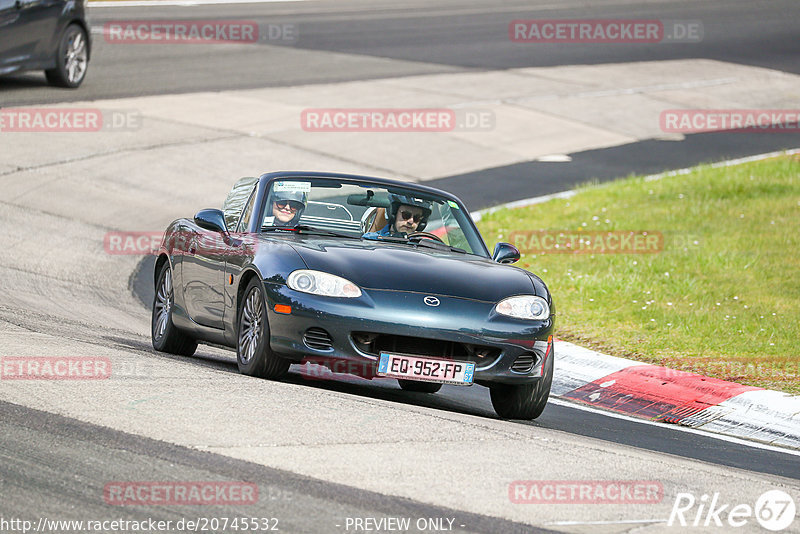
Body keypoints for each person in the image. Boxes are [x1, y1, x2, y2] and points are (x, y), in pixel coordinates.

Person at [363, 194, 432, 239]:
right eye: (406, 215)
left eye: (416, 218)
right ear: (393, 215)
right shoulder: (370, 240)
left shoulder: (423, 247)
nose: (411, 221)